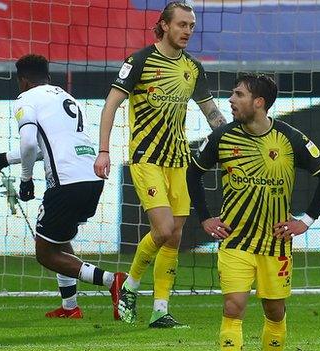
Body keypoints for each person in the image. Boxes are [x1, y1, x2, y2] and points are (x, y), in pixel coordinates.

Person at [93, 1, 226, 327]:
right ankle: (131, 284)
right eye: (182, 24)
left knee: (176, 235)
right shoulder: (139, 61)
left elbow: (211, 113)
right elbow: (110, 105)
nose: (187, 31)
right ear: (164, 25)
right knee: (163, 229)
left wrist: (233, 142)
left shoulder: (193, 69)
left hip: (180, 159)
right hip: (146, 158)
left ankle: (160, 310)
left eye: (191, 26)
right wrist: (103, 150)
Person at [187, 74, 320, 350]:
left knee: (274, 311)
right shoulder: (222, 137)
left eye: (238, 95)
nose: (231, 100)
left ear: (259, 102)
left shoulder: (290, 138)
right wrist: (205, 217)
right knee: (233, 307)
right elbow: (193, 173)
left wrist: (305, 221)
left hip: (275, 242)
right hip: (235, 240)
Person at [0, 54, 126, 319]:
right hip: (92, 179)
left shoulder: (26, 99)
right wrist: (5, 159)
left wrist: (26, 180)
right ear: (47, 76)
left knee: (46, 253)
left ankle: (112, 281)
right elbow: (48, 147)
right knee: (59, 240)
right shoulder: (64, 97)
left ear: (23, 80)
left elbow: (29, 144)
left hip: (66, 183)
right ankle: (70, 308)